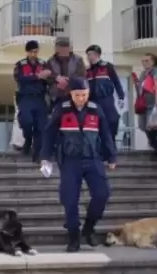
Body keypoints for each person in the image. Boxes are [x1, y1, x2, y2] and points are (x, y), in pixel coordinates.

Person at [40, 77, 117, 253]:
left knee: (102, 194)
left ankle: (89, 228)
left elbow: (106, 134)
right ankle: (74, 237)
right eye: (77, 95)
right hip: (70, 161)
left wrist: (112, 156)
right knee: (69, 200)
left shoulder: (96, 110)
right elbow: (49, 133)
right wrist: (45, 157)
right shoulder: (62, 109)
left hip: (93, 158)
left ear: (88, 93)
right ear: (70, 94)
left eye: (84, 95)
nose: (81, 98)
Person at [13, 40, 50, 161]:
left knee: (41, 126)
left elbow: (48, 79)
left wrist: (48, 76)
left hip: (40, 98)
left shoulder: (43, 63)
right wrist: (37, 77)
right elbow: (19, 78)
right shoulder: (20, 64)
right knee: (26, 121)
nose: (34, 54)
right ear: (27, 52)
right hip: (26, 98)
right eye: (32, 52)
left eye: (36, 51)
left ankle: (37, 154)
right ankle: (28, 139)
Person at [85, 44, 125, 143]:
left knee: (111, 120)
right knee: (95, 123)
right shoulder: (87, 70)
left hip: (106, 99)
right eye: (88, 55)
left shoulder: (107, 67)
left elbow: (116, 82)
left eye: (91, 54)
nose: (89, 57)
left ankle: (111, 145)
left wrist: (121, 97)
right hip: (92, 100)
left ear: (97, 54)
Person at [135, 53, 157, 157]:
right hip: (144, 103)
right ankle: (155, 147)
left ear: (153, 61)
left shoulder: (155, 71)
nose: (144, 63)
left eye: (147, 60)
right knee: (144, 126)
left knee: (151, 126)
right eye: (143, 61)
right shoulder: (143, 73)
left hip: (152, 103)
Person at [46, 37, 86, 111]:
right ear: (56, 48)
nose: (63, 49)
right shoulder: (50, 61)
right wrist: (57, 78)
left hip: (74, 96)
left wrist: (68, 82)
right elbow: (48, 77)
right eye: (61, 46)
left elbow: (81, 76)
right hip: (56, 97)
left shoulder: (78, 60)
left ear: (70, 48)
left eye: (65, 46)